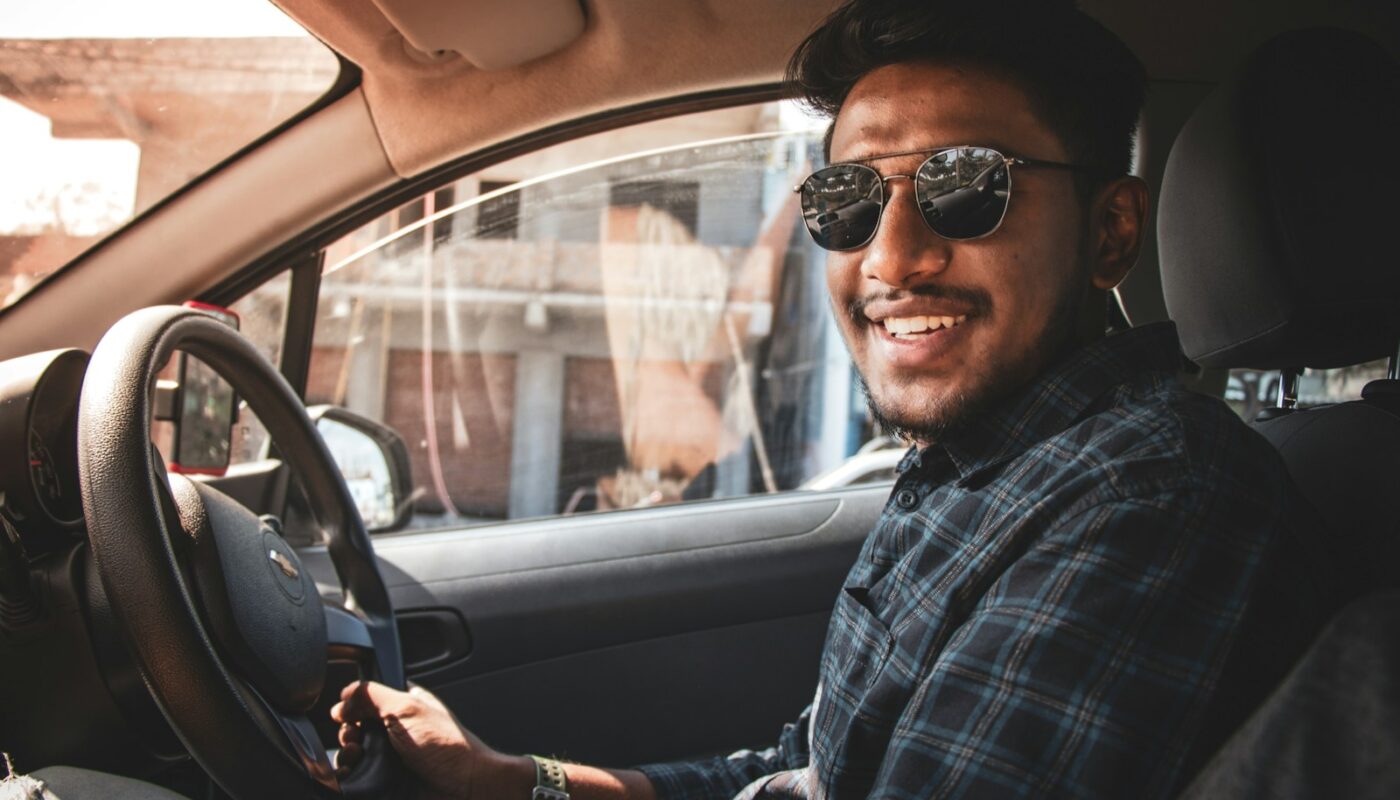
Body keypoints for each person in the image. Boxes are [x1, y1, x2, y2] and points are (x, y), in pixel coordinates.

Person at [333, 0, 1328, 797]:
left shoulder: (1150, 494)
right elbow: (806, 776)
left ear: (1110, 232)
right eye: (845, 201)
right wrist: (516, 782)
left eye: (964, 185)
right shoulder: (978, 465)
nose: (889, 257)